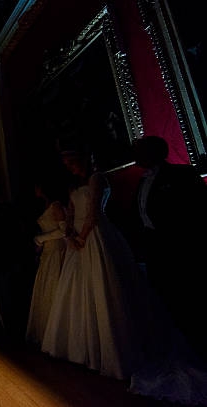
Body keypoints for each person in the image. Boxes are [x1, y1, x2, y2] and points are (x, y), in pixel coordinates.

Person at [40, 148, 149, 380]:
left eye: (72, 162)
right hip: (78, 238)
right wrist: (70, 235)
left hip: (96, 234)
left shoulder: (97, 178)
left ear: (83, 159)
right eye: (66, 164)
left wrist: (82, 237)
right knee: (79, 290)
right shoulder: (73, 186)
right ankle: (82, 349)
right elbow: (70, 215)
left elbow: (94, 212)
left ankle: (110, 351)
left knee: (103, 287)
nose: (70, 167)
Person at [131, 135, 207, 361]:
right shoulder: (142, 181)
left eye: (139, 151)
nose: (135, 157)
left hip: (181, 248)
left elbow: (199, 208)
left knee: (190, 297)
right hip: (155, 249)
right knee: (167, 297)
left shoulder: (182, 174)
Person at [25, 179, 67, 348]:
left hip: (56, 249)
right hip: (48, 250)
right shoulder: (47, 205)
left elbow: (64, 230)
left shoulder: (55, 205)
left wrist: (40, 238)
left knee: (54, 286)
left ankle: (59, 333)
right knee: (47, 288)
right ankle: (49, 333)